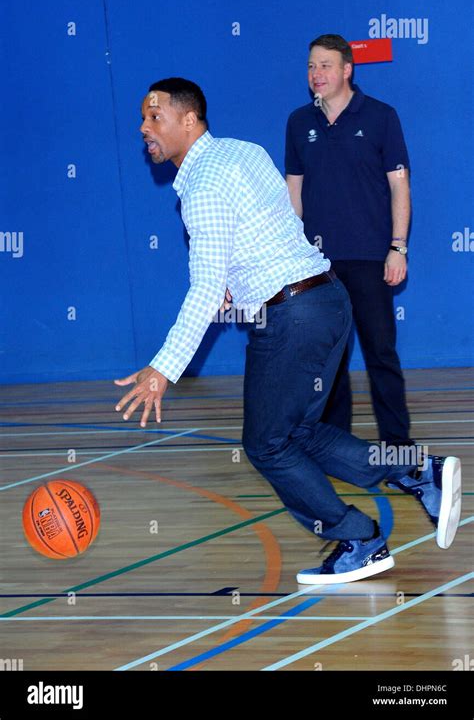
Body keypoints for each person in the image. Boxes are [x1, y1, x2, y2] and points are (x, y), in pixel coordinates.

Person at [114, 77, 461, 584]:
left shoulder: (203, 185)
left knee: (266, 445)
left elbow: (205, 288)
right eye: (142, 118)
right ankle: (414, 469)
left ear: (189, 120)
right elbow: (270, 225)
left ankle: (358, 539)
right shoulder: (243, 153)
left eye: (155, 116)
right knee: (295, 434)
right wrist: (234, 280)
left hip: (291, 316)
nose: (144, 128)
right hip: (326, 299)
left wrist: (162, 370)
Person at [286, 33, 413, 447]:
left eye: (324, 65)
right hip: (317, 265)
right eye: (310, 66)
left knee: (380, 355)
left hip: (371, 259)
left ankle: (398, 446)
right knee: (328, 361)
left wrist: (397, 247)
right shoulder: (298, 122)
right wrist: (290, 255)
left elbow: (399, 186)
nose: (315, 73)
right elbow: (293, 193)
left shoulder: (380, 116)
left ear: (347, 69)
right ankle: (335, 444)